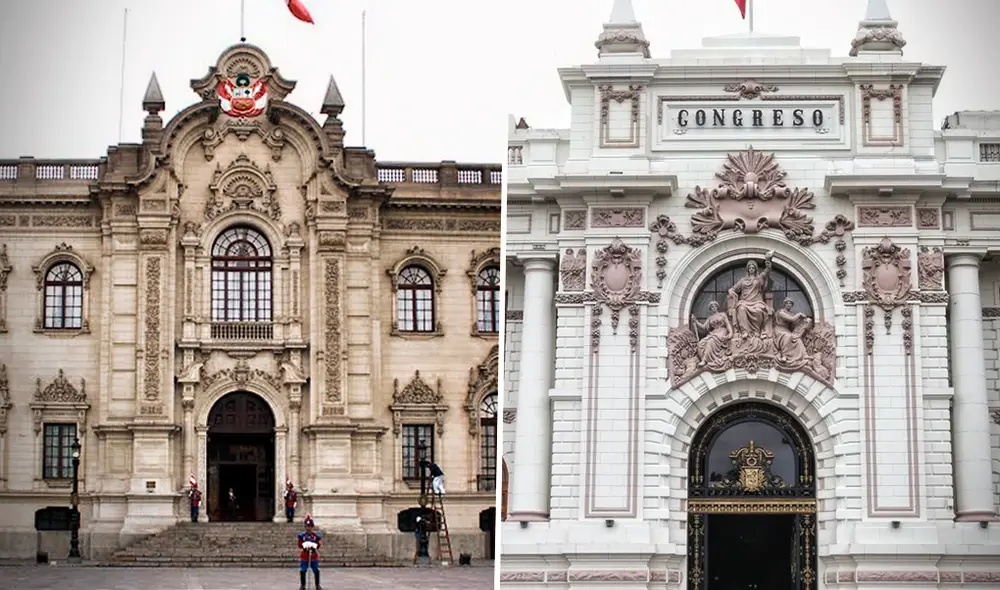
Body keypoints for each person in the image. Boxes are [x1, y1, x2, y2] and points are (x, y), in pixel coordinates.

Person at [297, 514, 322, 590]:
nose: (309, 528)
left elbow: (318, 544)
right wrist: (304, 546)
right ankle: (303, 585)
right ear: (305, 527)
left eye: (310, 526)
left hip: (313, 555)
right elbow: (299, 544)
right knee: (303, 570)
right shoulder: (302, 536)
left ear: (312, 527)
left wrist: (314, 546)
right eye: (307, 526)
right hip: (305, 555)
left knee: (316, 570)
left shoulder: (315, 536)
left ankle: (317, 585)